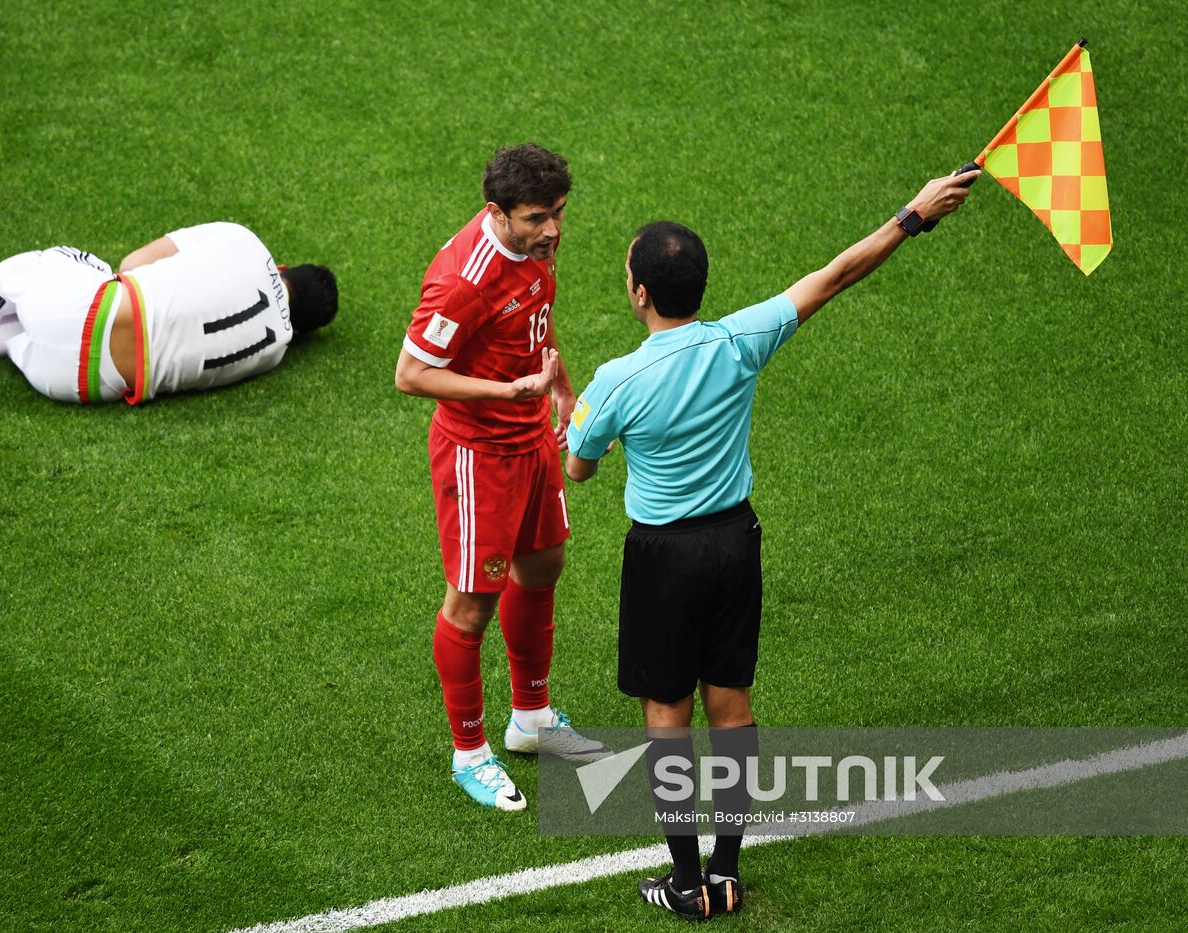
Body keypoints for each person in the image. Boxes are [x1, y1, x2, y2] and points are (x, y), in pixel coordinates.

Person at [565, 169, 979, 918]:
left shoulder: (616, 380)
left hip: (663, 559)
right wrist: (914, 214)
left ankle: (685, 883)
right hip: (734, 545)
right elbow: (838, 273)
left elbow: (579, 468)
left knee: (667, 716)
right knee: (731, 708)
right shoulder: (742, 339)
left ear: (640, 294)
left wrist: (579, 413)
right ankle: (725, 872)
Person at [395, 142, 608, 813]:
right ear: (497, 212)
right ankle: (469, 751)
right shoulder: (464, 281)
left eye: (559, 212)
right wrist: (506, 392)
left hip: (532, 434)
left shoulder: (536, 247)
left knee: (543, 564)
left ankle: (532, 718)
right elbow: (411, 374)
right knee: (472, 603)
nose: (553, 230)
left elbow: (538, 318)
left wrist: (561, 389)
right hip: (478, 454)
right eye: (538, 218)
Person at [0, 222, 337, 403]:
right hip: (77, 385)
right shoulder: (274, 353)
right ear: (301, 331)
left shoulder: (243, 241)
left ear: (282, 266)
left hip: (82, 310)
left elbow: (133, 264)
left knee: (37, 268)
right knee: (19, 331)